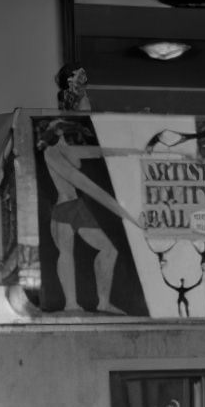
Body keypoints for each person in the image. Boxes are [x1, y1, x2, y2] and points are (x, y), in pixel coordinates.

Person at [37, 117, 141, 315]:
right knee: (66, 252)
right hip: (64, 209)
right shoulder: (51, 153)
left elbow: (100, 152)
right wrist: (125, 213)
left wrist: (136, 151)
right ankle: (71, 304)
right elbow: (85, 184)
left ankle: (103, 302)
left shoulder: (66, 149)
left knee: (109, 250)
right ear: (58, 133)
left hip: (76, 206)